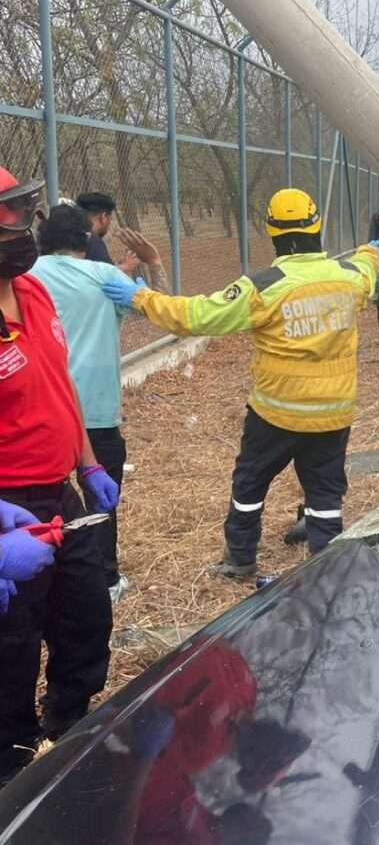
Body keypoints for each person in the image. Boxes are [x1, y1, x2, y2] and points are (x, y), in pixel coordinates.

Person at [101, 188, 379, 578]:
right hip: (333, 412)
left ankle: (241, 559)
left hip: (276, 413)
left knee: (250, 484)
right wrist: (373, 250)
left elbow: (196, 316)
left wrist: (141, 297)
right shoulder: (349, 276)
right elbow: (368, 266)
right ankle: (327, 566)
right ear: (317, 227)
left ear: (273, 233)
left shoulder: (264, 287)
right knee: (326, 491)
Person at [0, 167, 118, 786]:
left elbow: (58, 383)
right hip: (7, 505)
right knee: (11, 649)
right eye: (13, 215)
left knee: (86, 618)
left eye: (26, 211)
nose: (27, 227)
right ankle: (13, 768)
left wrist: (89, 461)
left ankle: (66, 731)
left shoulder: (33, 292)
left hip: (59, 491)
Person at [29, 205, 157, 602]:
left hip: (44, 406)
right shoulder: (106, 277)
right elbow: (161, 307)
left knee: (40, 495)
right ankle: (106, 576)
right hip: (97, 411)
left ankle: (41, 569)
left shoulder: (25, 279)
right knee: (101, 498)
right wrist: (152, 263)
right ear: (88, 238)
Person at [75, 192, 115, 265]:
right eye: (110, 219)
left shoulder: (68, 236)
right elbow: (105, 275)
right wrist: (126, 267)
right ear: (103, 217)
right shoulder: (93, 241)